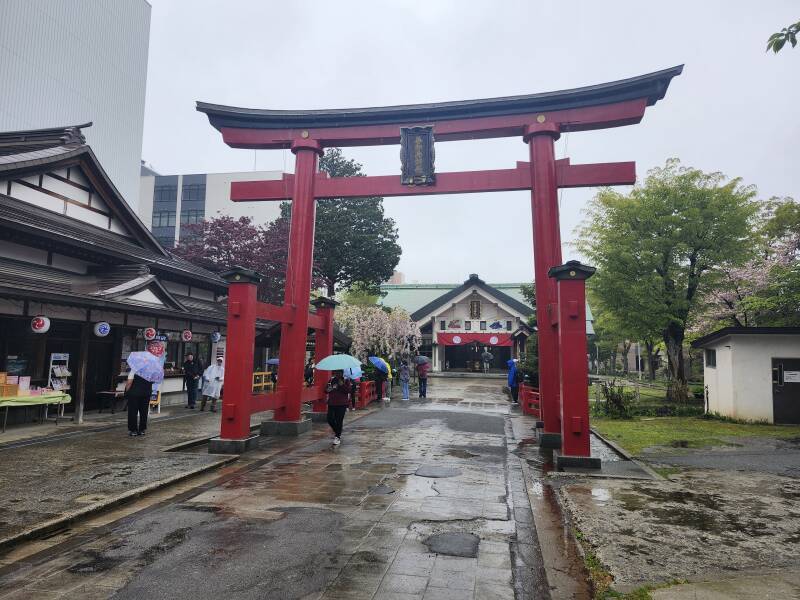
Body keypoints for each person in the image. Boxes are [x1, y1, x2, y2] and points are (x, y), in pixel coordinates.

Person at [325, 370, 352, 445]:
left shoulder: (346, 380)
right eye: (337, 372)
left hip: (342, 404)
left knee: (339, 420)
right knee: (329, 419)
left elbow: (348, 390)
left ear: (342, 373)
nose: (338, 374)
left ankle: (337, 436)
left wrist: (342, 385)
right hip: (332, 403)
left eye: (340, 372)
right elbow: (326, 390)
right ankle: (337, 431)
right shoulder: (331, 380)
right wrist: (329, 389)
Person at [126, 367, 153, 437]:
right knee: (144, 412)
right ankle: (142, 430)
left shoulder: (134, 370)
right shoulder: (150, 371)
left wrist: (126, 391)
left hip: (134, 393)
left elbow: (129, 382)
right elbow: (152, 381)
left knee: (133, 412)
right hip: (146, 394)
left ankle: (133, 430)